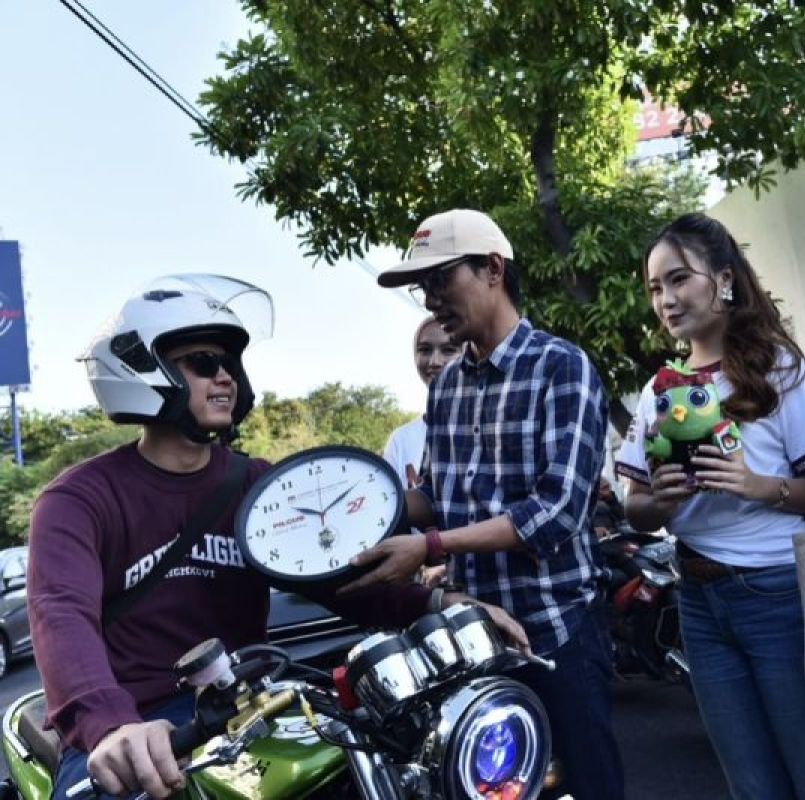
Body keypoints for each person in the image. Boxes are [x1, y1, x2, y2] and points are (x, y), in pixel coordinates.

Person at [27, 275, 525, 800]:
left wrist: (445, 604)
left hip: (252, 710)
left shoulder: (255, 484)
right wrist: (108, 724)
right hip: (142, 724)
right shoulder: (79, 498)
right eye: (201, 363)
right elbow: (61, 616)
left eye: (228, 364)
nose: (224, 378)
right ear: (142, 368)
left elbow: (343, 579)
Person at [356, 209, 624, 800]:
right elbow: (436, 497)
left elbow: (556, 513)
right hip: (473, 639)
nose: (431, 301)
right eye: (422, 289)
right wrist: (358, 510)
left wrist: (429, 547)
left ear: (493, 270)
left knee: (587, 783)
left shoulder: (563, 367)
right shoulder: (447, 386)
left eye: (440, 281)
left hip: (558, 630)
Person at [616, 213, 805, 799]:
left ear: (723, 280)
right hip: (698, 599)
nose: (666, 300)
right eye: (655, 288)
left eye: (679, 280)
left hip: (783, 596)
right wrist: (661, 500)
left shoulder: (780, 369)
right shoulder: (661, 390)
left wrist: (756, 485)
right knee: (751, 785)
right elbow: (634, 508)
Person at [382, 315, 461, 488]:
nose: (434, 362)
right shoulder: (400, 440)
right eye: (425, 350)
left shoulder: (487, 428)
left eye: (448, 350)